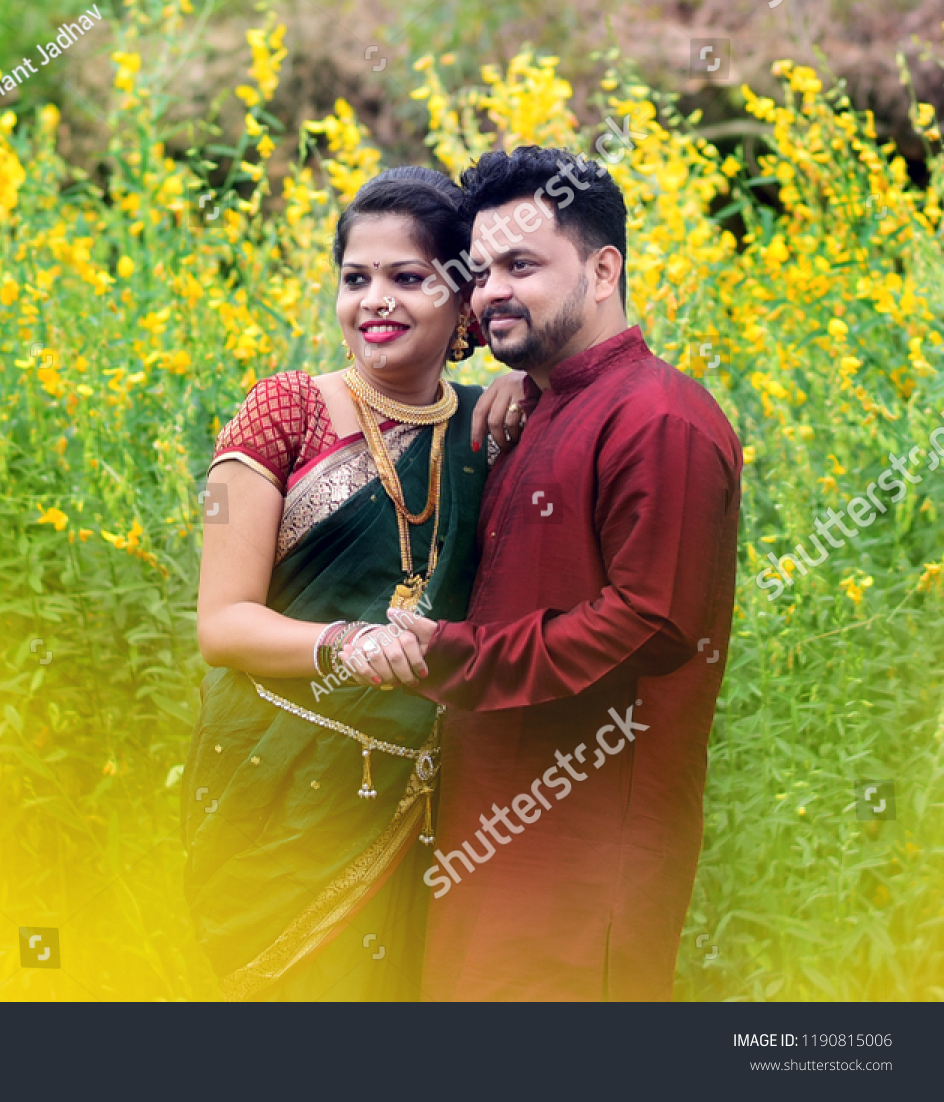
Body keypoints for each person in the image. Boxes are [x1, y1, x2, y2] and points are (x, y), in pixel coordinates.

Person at [370, 146, 744, 1000]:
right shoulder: (537, 406)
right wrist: (522, 385)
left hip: (585, 869)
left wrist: (454, 658)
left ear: (604, 268)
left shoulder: (661, 420)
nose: (492, 289)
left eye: (523, 265)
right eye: (481, 269)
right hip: (490, 848)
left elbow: (652, 621)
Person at [183, 166, 528, 1001]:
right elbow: (220, 624)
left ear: (464, 302)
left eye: (409, 278)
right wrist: (347, 643)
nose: (376, 300)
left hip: (415, 809)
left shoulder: (496, 425)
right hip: (271, 794)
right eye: (355, 278)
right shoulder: (278, 413)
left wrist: (530, 382)